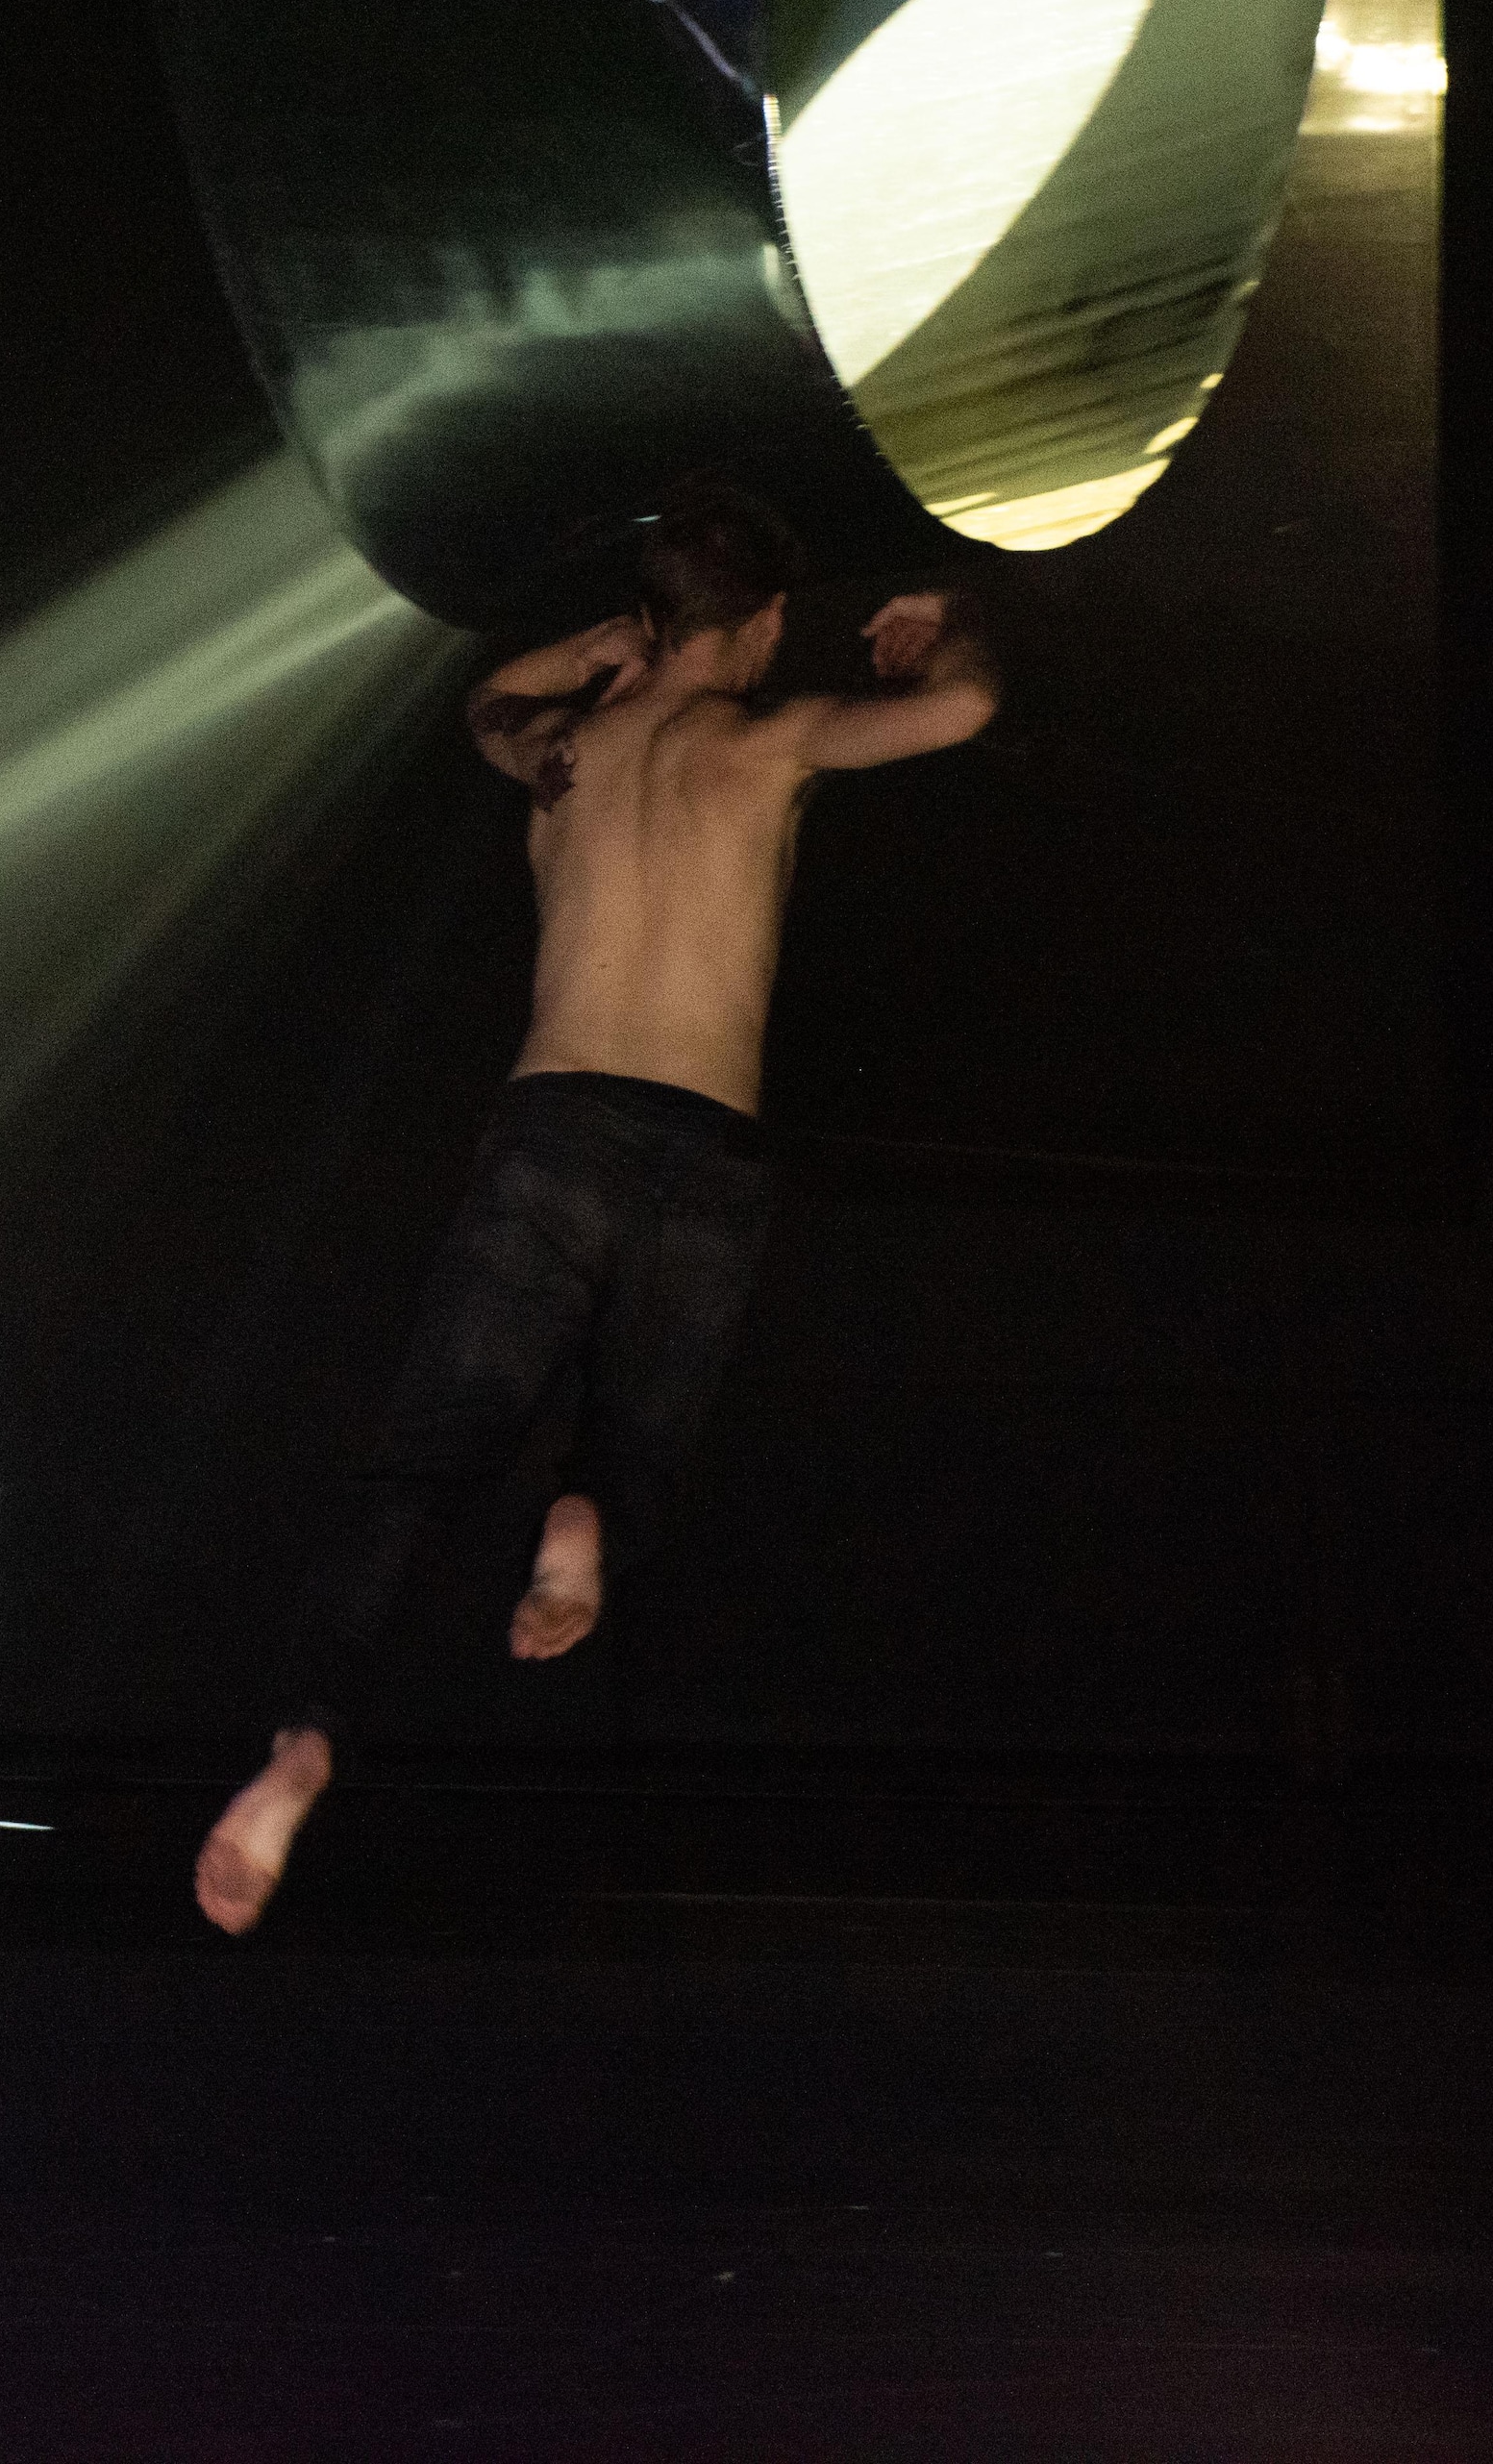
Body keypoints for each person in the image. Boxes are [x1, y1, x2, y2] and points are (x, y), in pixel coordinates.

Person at [194, 477, 999, 1934]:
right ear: (759, 624)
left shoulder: (563, 752)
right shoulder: (768, 738)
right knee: (640, 1441)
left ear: (647, 622)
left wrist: (591, 655)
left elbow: (484, 705)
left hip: (553, 1130)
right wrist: (951, 620)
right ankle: (588, 1512)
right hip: (708, 1144)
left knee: (426, 1464)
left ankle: (307, 1737)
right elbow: (964, 712)